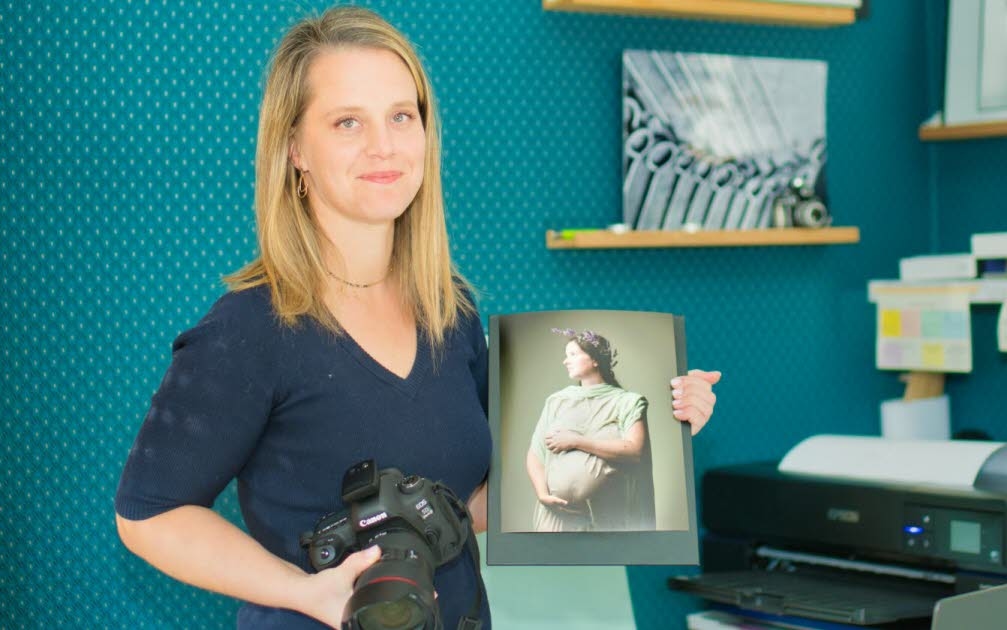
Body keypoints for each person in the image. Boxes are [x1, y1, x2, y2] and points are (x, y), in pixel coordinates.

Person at [112, 6, 721, 630]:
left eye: (402, 116)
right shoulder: (250, 328)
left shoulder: (449, 311)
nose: (383, 145)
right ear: (295, 148)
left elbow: (474, 505)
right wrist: (305, 592)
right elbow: (149, 514)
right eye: (348, 121)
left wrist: (662, 423)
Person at [526, 329, 657, 532]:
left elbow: (635, 451)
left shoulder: (627, 401)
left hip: (607, 522)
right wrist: (543, 495)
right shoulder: (557, 401)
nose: (565, 361)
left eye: (573, 354)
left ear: (595, 360)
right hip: (556, 519)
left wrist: (576, 441)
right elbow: (535, 454)